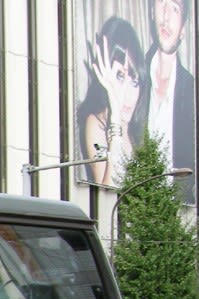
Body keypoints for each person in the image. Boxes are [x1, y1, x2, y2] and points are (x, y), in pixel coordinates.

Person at [76, 17, 147, 188]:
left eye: (134, 82)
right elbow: (109, 191)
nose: (128, 94)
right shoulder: (96, 123)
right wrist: (115, 123)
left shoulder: (138, 131)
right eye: (120, 77)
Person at [145, 0, 196, 202]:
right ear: (151, 11)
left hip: (175, 210)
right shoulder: (133, 76)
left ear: (183, 28)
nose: (165, 17)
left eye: (174, 9)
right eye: (161, 5)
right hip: (133, 200)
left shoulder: (191, 90)